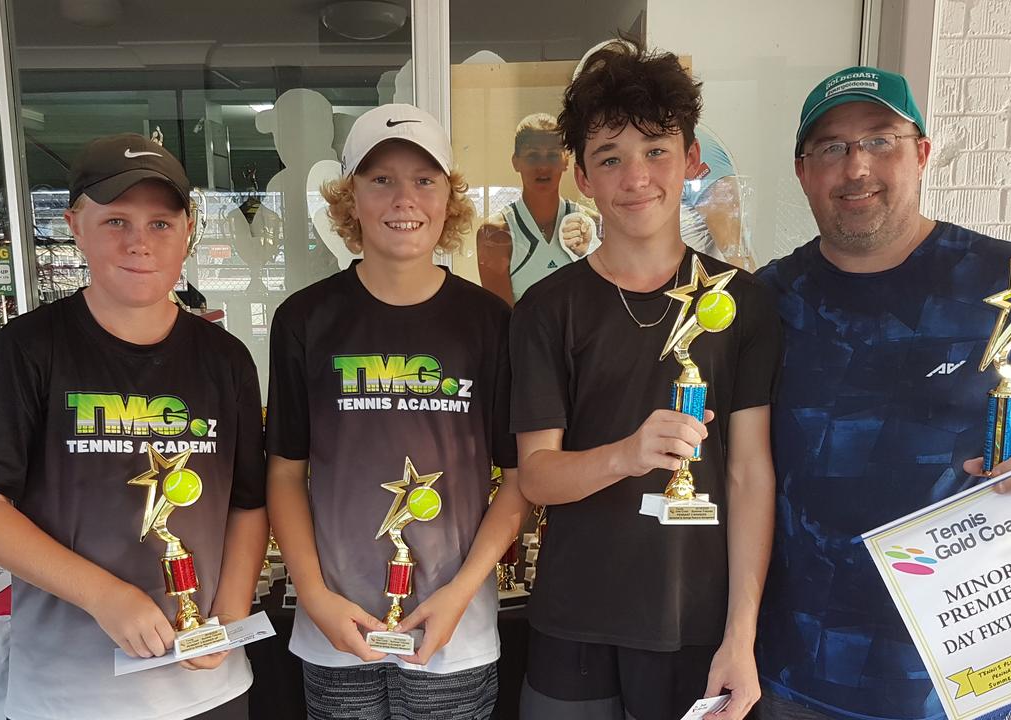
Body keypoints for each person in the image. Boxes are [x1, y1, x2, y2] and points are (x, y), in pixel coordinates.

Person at [754, 66, 1011, 720]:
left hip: (965, 671)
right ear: (804, 172)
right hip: (797, 668)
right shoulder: (769, 300)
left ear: (921, 153)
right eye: (831, 147)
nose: (856, 165)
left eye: (880, 140)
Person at [0, 133, 268, 720]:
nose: (140, 243)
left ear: (189, 228)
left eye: (161, 223)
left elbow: (248, 504)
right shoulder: (28, 348)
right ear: (75, 224)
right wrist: (106, 596)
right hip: (69, 695)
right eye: (116, 220)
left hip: (210, 691)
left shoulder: (226, 359)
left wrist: (230, 612)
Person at [509, 40, 779, 720]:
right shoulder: (548, 308)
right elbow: (536, 477)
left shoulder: (742, 303)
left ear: (691, 159)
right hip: (574, 622)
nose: (637, 177)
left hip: (695, 623)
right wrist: (628, 454)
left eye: (656, 150)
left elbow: (749, 474)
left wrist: (741, 636)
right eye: (610, 158)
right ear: (582, 178)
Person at [265, 103, 526, 720]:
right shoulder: (304, 320)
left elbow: (517, 482)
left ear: (447, 198)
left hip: (454, 633)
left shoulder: (490, 324)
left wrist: (463, 594)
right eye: (381, 179)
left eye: (424, 180)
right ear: (349, 197)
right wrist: (314, 595)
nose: (403, 198)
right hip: (336, 632)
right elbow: (283, 474)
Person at [477, 112, 600, 305]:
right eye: (533, 156)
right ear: (515, 162)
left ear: (566, 160)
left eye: (552, 155)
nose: (543, 166)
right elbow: (501, 322)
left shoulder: (592, 224)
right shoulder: (495, 233)